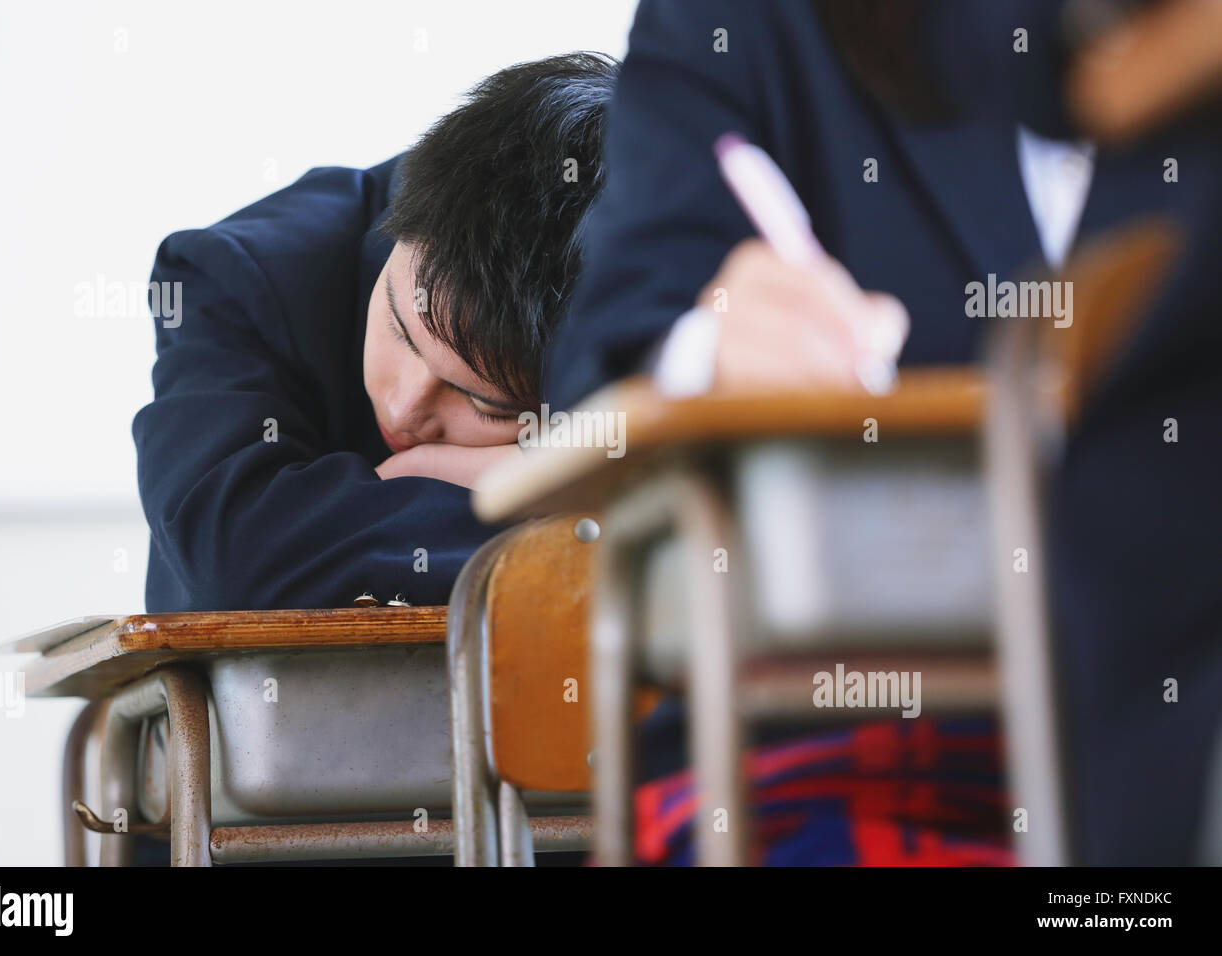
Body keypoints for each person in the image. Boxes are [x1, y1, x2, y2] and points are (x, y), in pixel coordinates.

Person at [547, 0, 1222, 864]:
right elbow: (603, 369)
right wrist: (710, 343)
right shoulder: (744, 27)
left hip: (1171, 724)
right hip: (861, 743)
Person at [133, 52, 617, 613]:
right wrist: (563, 498)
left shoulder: (669, 319)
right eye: (401, 329)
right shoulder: (233, 278)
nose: (406, 407)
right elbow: (237, 563)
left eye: (486, 405)